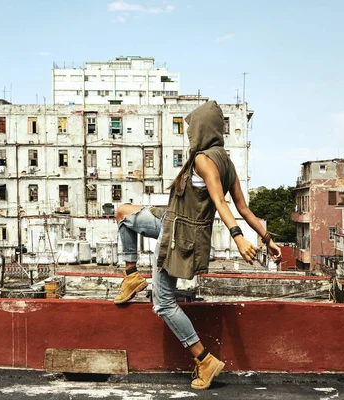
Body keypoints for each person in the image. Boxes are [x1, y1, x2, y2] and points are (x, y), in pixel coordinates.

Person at [114, 100, 282, 390]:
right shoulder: (226, 161)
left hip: (180, 236)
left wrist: (239, 237)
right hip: (171, 220)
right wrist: (268, 239)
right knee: (122, 214)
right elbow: (244, 207)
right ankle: (131, 276)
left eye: (192, 128)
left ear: (202, 129)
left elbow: (221, 202)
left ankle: (203, 359)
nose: (190, 134)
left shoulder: (205, 160)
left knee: (163, 303)